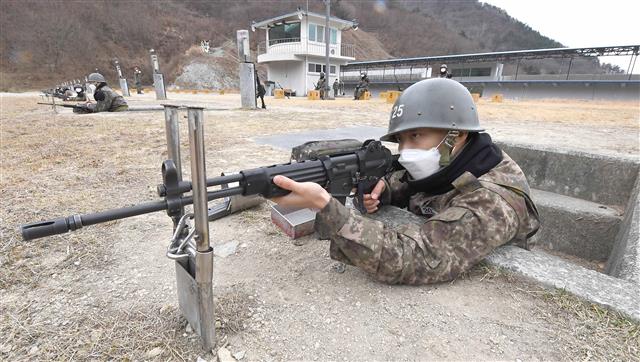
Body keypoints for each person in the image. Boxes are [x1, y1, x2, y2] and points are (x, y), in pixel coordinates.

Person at [271, 78, 540, 285]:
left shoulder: (493, 201)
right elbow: (415, 181)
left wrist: (328, 208)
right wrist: (385, 189)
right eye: (401, 140)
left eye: (416, 136)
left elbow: (419, 258)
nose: (406, 150)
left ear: (455, 135)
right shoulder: (454, 159)